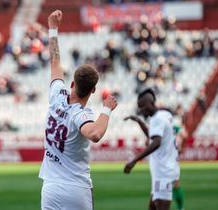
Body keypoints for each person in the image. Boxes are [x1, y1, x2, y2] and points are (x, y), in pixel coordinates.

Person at [39, 10, 117, 210]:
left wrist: (53, 28)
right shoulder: (80, 114)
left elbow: (55, 61)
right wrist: (107, 109)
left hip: (50, 188)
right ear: (93, 90)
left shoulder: (57, 94)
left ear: (72, 83)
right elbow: (95, 133)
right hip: (75, 188)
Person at [123, 89, 179, 210]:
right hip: (166, 169)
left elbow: (156, 142)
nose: (141, 110)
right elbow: (154, 136)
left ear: (150, 103)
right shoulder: (165, 114)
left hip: (163, 173)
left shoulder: (156, 119)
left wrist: (134, 160)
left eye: (142, 106)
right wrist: (139, 121)